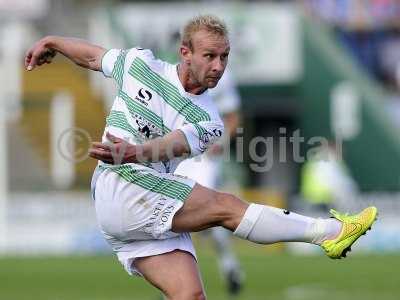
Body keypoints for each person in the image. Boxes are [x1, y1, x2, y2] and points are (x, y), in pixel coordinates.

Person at [25, 15, 377, 300]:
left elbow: (171, 145)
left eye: (224, 56)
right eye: (209, 55)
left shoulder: (208, 119)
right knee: (225, 206)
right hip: (123, 187)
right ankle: (329, 232)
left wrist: (135, 152)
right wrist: (53, 41)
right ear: (184, 52)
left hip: (138, 198)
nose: (218, 65)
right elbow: (92, 56)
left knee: (190, 295)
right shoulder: (138, 65)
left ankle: (329, 234)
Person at [174, 70, 243, 295]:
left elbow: (233, 117)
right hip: (178, 156)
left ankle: (229, 267)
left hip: (205, 159)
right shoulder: (172, 73)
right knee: (173, 216)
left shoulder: (221, 79)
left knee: (205, 214)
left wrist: (220, 142)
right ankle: (175, 282)